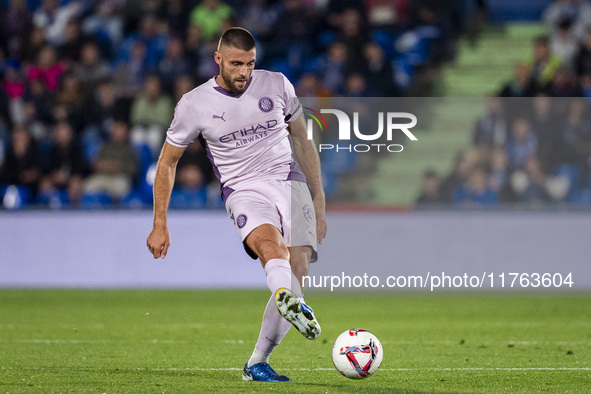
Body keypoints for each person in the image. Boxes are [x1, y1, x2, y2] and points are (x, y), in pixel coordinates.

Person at [146, 27, 327, 383]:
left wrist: (319, 199)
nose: (244, 71)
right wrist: (160, 222)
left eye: (250, 63)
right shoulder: (194, 105)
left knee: (299, 266)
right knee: (270, 248)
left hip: (289, 180)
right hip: (242, 188)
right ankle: (284, 297)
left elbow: (302, 139)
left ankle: (257, 361)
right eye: (236, 63)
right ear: (218, 59)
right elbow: (167, 163)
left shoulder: (277, 85)